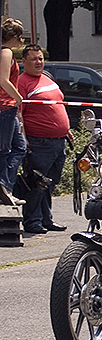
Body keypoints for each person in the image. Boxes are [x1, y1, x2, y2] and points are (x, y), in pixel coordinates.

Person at [15, 45, 71, 233]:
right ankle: (32, 221)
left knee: (49, 183)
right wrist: (23, 138)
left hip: (58, 140)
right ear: (24, 61)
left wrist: (67, 130)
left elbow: (58, 105)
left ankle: (47, 219)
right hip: (39, 142)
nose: (38, 62)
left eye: (40, 58)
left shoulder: (46, 78)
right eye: (34, 59)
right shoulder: (22, 82)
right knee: (36, 184)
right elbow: (18, 112)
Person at [0, 18, 27, 206]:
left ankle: (6, 186)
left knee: (19, 147)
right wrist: (18, 97)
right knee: (4, 149)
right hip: (5, 105)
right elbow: (3, 80)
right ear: (15, 36)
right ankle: (3, 187)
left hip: (9, 107)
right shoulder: (6, 52)